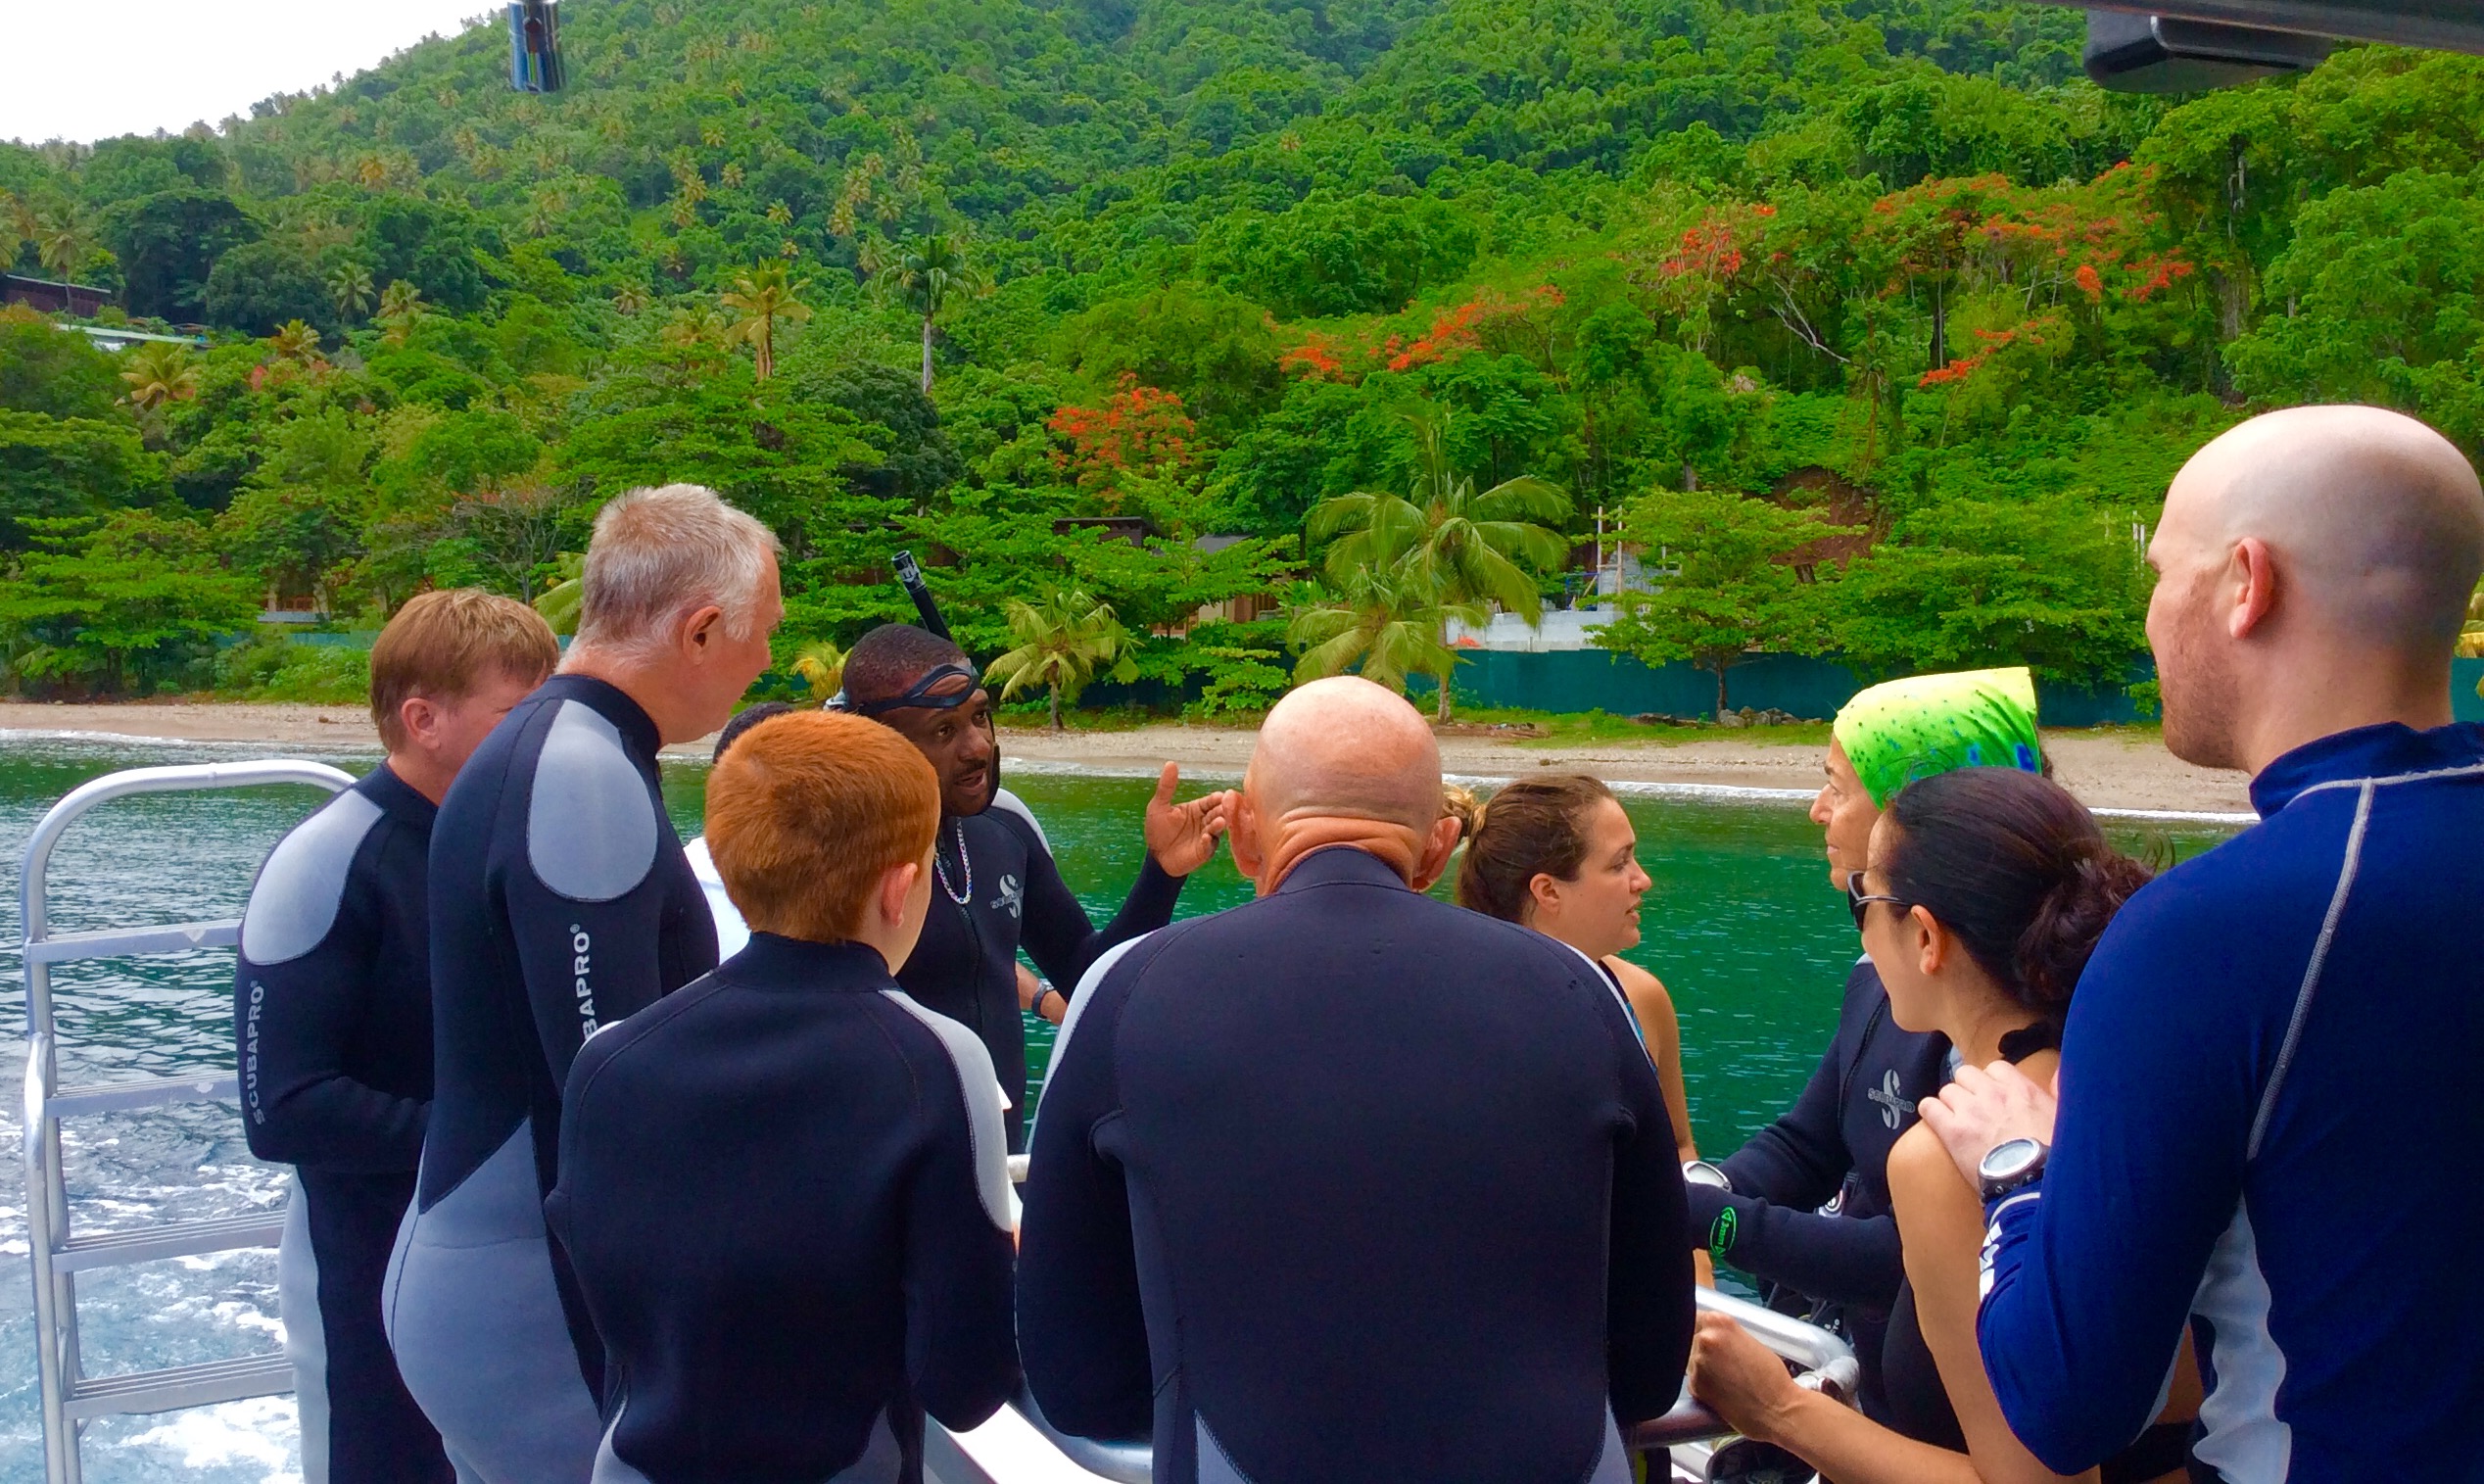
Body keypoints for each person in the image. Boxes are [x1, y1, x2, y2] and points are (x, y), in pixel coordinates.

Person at [1921, 406, 2484, 1481]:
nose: (2148, 619)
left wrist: (2016, 1169)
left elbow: (2067, 1403)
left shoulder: (2210, 934)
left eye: (2161, 574)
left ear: (2244, 583)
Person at [1018, 677, 1694, 1484]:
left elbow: (1076, 1381)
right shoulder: (1587, 991)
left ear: (1243, 840)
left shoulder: (1126, 991)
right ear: (1438, 850)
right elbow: (1652, 1365)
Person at [385, 483, 782, 1484]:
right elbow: (613, 1100)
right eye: (764, 634)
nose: (770, 661)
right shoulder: (580, 773)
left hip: (487, 1266)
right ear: (700, 631)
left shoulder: (565, 747)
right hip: (526, 1299)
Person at [1691, 766, 2200, 1484]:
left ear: (1926, 935)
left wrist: (1778, 1408)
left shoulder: (1951, 1157)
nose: (1861, 924)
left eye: (1861, 898)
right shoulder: (2159, 1073)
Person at [548, 709, 1018, 1482]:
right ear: (901, 888)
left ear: (732, 870)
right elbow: (965, 1384)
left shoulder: (609, 1059)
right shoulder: (937, 1060)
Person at [234, 591, 557, 1484]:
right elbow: (284, 1108)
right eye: (518, 714)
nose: (544, 738)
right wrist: (488, 1144)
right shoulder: (330, 858)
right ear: (425, 719)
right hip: (366, 1262)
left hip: (508, 1257)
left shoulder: (524, 842)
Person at [1684, 667, 2044, 1420]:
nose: (1818, 810)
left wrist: (1714, 1223)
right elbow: (1809, 1140)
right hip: (1886, 1390)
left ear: (1918, 812)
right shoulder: (1881, 974)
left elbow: (1926, 1255)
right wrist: (1699, 1189)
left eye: (1837, 786)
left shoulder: (2016, 1037)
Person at [834, 621, 1230, 1149]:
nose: (978, 747)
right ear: (878, 741)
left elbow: (1088, 975)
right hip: (886, 1162)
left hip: (999, 1157)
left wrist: (1162, 873)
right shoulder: (843, 855)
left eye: (980, 716)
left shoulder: (1005, 829)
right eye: (944, 732)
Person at [1450, 775, 1698, 1162]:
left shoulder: (1641, 997)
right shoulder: (1458, 1013)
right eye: (1619, 863)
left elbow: (1677, 1148)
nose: (1643, 880)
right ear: (1548, 891)